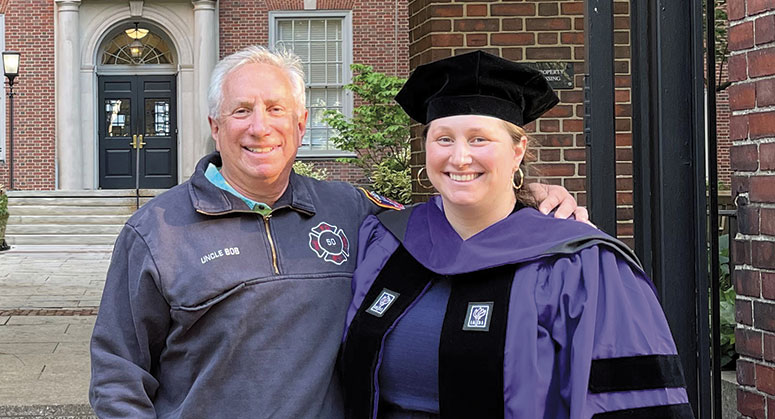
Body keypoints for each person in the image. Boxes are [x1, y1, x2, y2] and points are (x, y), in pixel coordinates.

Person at [89, 46, 585, 418]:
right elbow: (118, 376)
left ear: (301, 123)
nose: (260, 127)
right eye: (241, 111)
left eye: (276, 109)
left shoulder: (351, 209)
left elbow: (444, 213)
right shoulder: (156, 232)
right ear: (216, 125)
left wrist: (527, 196)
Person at [340, 51, 694, 419]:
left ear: (517, 150)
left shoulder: (580, 263)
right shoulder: (385, 241)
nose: (460, 158)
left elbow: (636, 403)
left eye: (479, 140)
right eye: (444, 139)